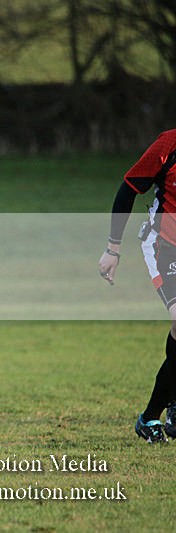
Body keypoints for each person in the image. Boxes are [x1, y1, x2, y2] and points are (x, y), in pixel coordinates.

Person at [99, 129, 176, 443]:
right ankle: (149, 418)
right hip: (164, 245)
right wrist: (112, 249)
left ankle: (171, 403)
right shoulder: (168, 144)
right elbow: (128, 188)